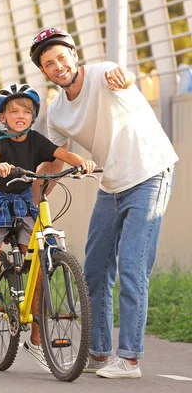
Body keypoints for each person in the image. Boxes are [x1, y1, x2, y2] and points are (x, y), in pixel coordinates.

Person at [29, 27, 178, 379]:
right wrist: (33, 192)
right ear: (44, 72)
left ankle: (129, 359)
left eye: (61, 57)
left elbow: (123, 78)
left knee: (131, 267)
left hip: (149, 173)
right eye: (49, 63)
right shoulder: (57, 111)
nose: (58, 66)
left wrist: (123, 76)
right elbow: (54, 159)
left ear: (74, 55)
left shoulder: (104, 74)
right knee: (94, 270)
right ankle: (97, 352)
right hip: (110, 184)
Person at [0, 83, 96, 371]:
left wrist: (82, 162)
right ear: (3, 117)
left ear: (33, 116)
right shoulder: (0, 140)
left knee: (40, 271)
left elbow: (60, 154)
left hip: (24, 204)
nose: (21, 115)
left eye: (27, 111)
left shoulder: (36, 140)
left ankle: (35, 339)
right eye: (13, 111)